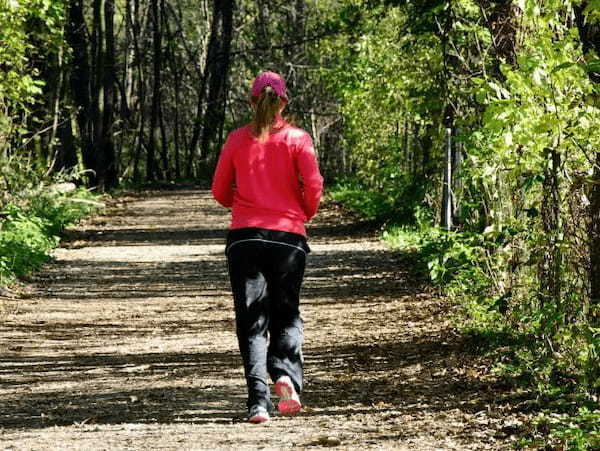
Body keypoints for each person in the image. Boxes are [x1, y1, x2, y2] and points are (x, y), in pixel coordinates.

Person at [211, 71, 324, 423]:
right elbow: (314, 184)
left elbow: (219, 191)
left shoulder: (236, 139)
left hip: (245, 239)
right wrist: (302, 213)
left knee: (252, 322)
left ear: (252, 101)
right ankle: (286, 376)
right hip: (288, 237)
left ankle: (258, 402)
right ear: (283, 102)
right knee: (286, 311)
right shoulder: (297, 138)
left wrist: (244, 206)